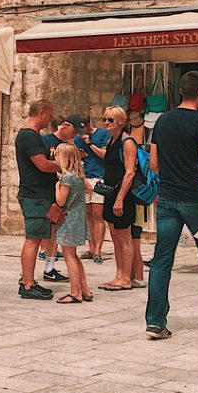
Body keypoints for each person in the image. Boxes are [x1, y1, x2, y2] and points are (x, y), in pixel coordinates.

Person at [145, 70, 198, 339]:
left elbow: (154, 164)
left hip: (168, 198)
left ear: (181, 91)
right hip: (196, 199)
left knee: (162, 260)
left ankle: (155, 321)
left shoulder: (162, 121)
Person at [15, 100, 61, 300]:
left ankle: (28, 279)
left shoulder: (30, 136)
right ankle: (28, 284)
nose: (51, 118)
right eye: (50, 114)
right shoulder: (30, 137)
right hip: (35, 195)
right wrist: (62, 165)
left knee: (36, 238)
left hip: (37, 194)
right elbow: (42, 165)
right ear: (42, 113)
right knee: (33, 240)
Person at [89, 106, 139, 292]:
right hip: (110, 192)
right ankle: (119, 275)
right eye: (105, 119)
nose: (106, 123)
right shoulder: (112, 141)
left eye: (110, 120)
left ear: (120, 121)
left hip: (122, 195)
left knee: (124, 236)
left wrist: (120, 199)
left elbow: (129, 172)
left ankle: (126, 277)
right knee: (116, 236)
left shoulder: (127, 143)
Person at [39, 117, 78, 281]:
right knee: (47, 232)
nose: (75, 135)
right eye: (74, 131)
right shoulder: (46, 141)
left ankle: (50, 268)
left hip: (62, 191)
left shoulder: (71, 145)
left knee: (54, 232)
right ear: (65, 127)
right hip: (49, 191)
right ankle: (35, 270)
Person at [54, 144, 91, 304]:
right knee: (74, 256)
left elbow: (60, 201)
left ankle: (75, 292)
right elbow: (88, 189)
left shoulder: (67, 178)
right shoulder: (78, 176)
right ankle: (85, 289)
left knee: (69, 256)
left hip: (68, 220)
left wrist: (57, 186)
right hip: (78, 218)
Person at [74, 115, 110, 265]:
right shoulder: (77, 140)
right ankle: (91, 247)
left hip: (99, 178)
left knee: (98, 214)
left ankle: (98, 251)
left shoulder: (102, 134)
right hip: (85, 177)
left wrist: (90, 145)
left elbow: (105, 155)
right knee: (87, 214)